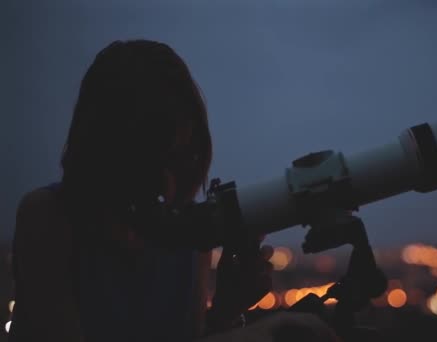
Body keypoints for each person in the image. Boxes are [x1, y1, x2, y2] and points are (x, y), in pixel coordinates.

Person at [9, 39, 337, 342]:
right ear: (107, 151)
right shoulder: (48, 218)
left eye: (182, 158)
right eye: (155, 158)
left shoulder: (188, 242)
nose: (170, 182)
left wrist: (225, 310)